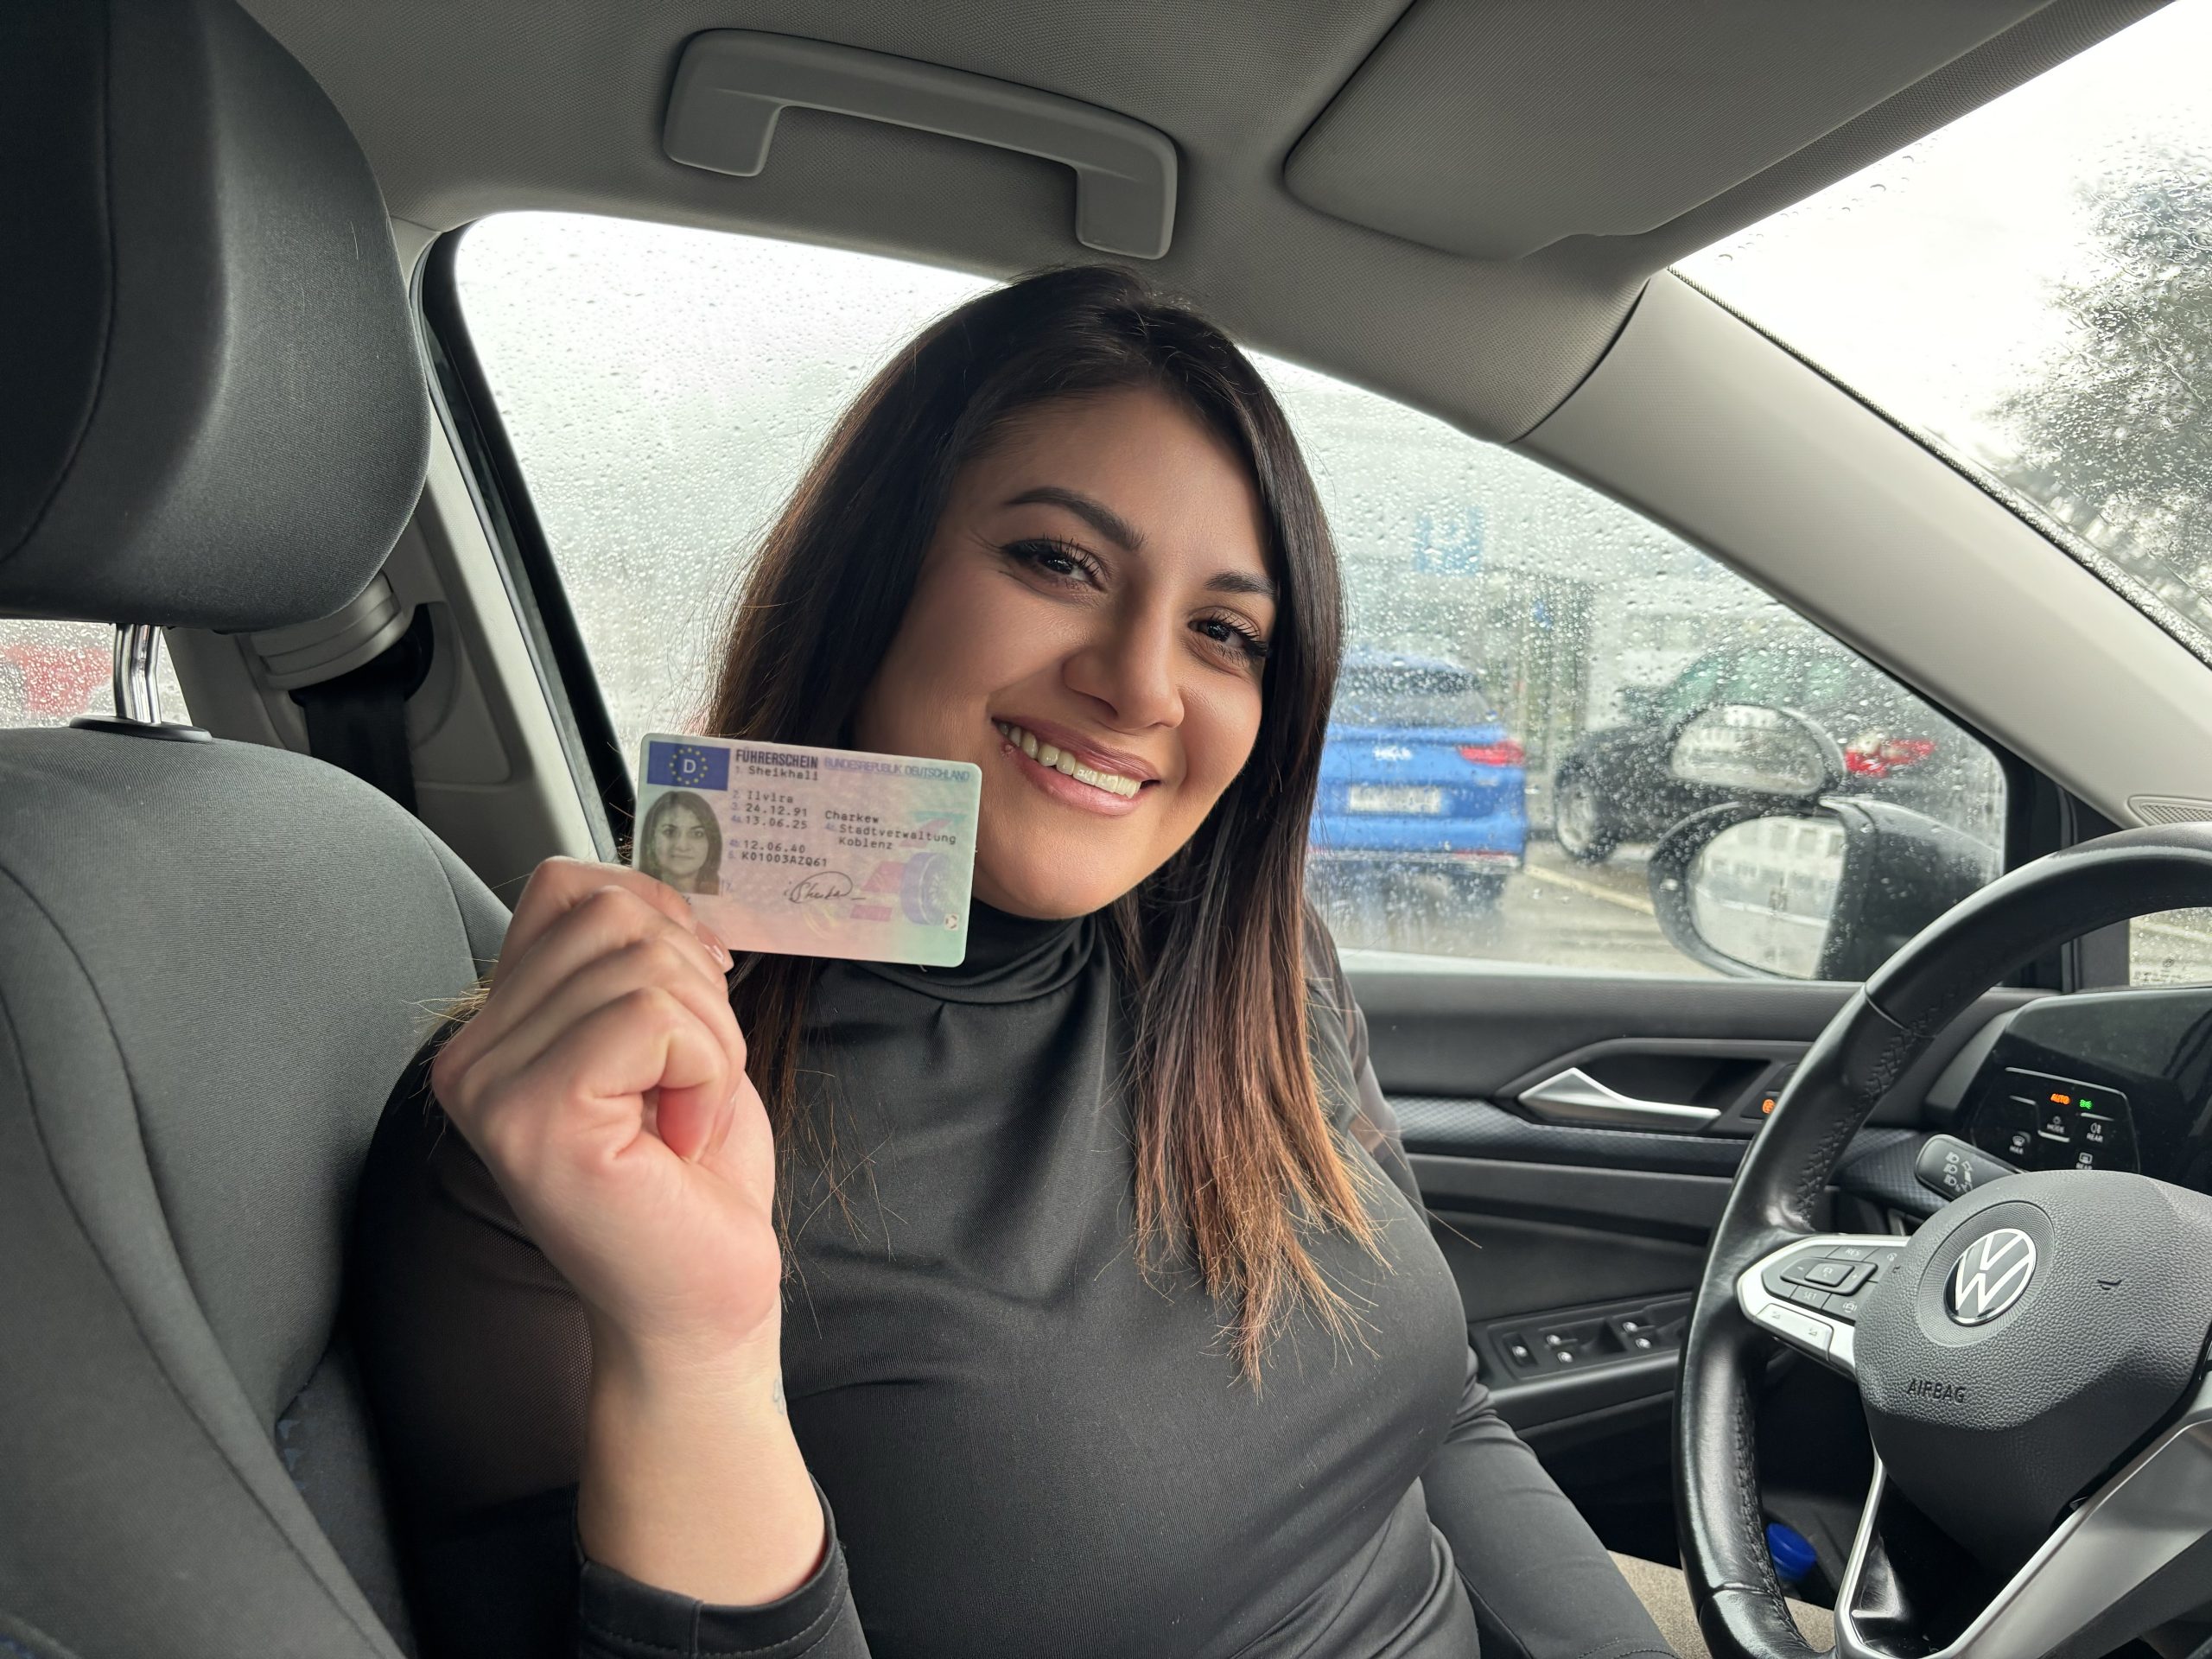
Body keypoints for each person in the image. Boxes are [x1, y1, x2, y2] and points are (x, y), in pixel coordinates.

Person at [349, 266, 1677, 1659]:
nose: (1143, 685)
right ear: (873, 574)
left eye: (1223, 632)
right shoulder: (576, 1142)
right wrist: (698, 1354)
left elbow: (1445, 1421)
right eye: (1058, 562)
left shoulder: (1256, 962)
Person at [634, 787, 723, 895]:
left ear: (712, 843)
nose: (682, 846)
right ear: (651, 838)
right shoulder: (631, 891)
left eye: (697, 834)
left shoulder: (729, 899)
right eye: (669, 832)